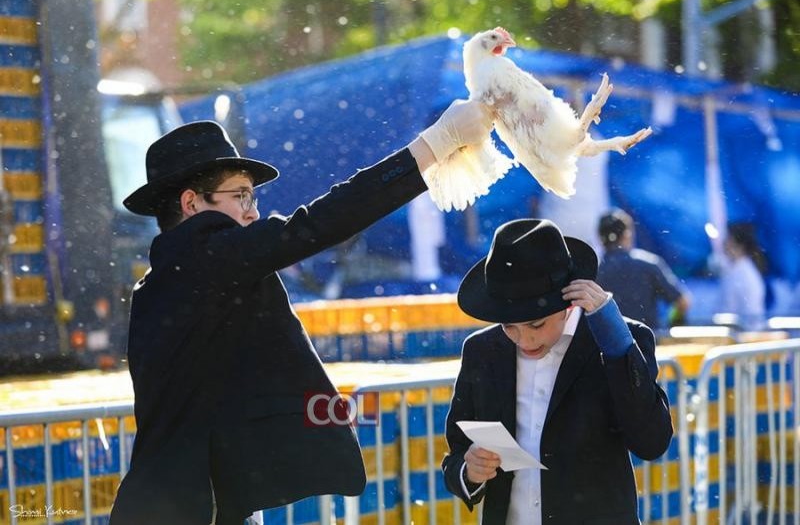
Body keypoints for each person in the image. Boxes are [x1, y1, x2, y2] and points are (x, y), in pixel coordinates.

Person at [109, 99, 494, 525]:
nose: (252, 210)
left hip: (185, 501)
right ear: (192, 203)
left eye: (252, 197)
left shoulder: (165, 279)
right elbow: (318, 223)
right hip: (190, 508)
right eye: (240, 196)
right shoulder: (205, 256)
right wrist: (434, 145)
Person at [442, 218, 673, 525]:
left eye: (536, 324)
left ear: (567, 302)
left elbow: (651, 441)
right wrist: (470, 471)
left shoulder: (619, 340)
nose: (524, 340)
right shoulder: (482, 350)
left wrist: (616, 344)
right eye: (509, 326)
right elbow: (457, 451)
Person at [596, 208, 690, 330]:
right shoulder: (649, 264)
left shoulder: (592, 271)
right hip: (649, 344)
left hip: (606, 347)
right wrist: (672, 322)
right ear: (627, 234)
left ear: (600, 237)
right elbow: (682, 302)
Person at [719, 222, 767, 330]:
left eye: (728, 238)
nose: (724, 243)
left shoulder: (745, 275)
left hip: (742, 337)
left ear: (739, 245)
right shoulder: (734, 270)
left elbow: (752, 318)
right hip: (733, 334)